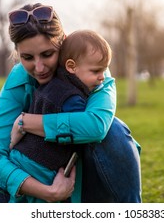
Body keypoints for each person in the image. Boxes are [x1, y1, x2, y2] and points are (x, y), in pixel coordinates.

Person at [0, 3, 141, 203]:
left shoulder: (93, 67)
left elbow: (97, 126)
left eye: (47, 54)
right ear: (17, 54)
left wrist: (27, 122)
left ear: (62, 43)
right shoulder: (19, 77)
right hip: (34, 180)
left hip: (82, 181)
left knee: (114, 130)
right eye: (28, 57)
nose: (39, 67)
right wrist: (49, 192)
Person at [9, 29, 131, 203]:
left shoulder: (54, 83)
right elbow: (85, 129)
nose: (102, 77)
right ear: (72, 67)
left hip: (24, 157)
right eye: (96, 71)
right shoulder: (72, 99)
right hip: (41, 165)